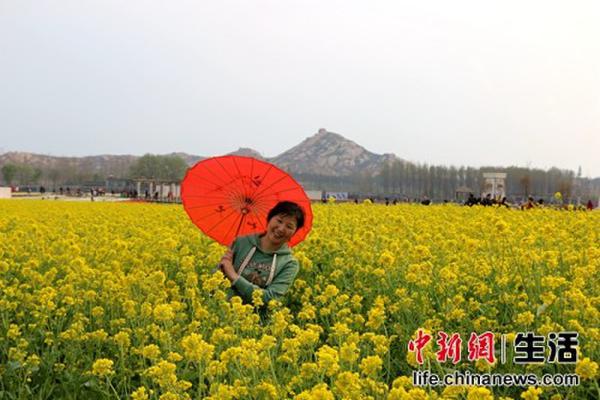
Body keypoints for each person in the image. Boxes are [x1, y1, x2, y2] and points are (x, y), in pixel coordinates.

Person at [218, 201, 304, 313]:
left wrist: (233, 276)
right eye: (279, 221)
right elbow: (216, 280)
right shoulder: (241, 243)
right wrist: (222, 269)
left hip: (257, 325)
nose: (281, 228)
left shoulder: (289, 264)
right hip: (224, 314)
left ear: (294, 232)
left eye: (289, 226)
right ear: (269, 219)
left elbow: (270, 299)